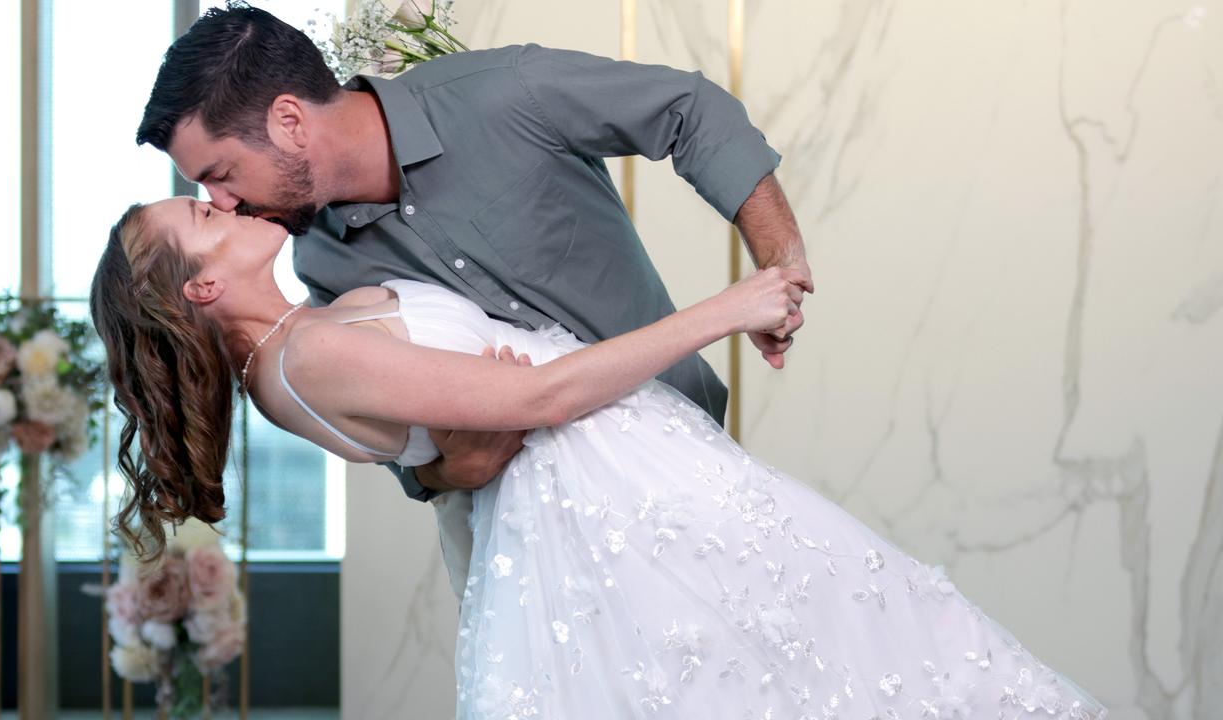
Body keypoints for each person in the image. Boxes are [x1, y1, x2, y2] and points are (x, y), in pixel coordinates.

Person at [90, 198, 1107, 719]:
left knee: (841, 659)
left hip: (613, 495)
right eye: (201, 219)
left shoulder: (297, 349)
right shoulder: (308, 354)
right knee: (858, 657)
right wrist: (729, 307)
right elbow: (539, 393)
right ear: (202, 293)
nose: (217, 202)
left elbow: (469, 434)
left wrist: (464, 448)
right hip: (615, 506)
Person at [135, 3, 812, 593]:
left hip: (691, 458)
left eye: (221, 175)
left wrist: (778, 261)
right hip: (558, 549)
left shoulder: (502, 93)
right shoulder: (321, 261)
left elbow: (689, 109)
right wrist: (444, 470)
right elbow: (399, 426)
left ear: (288, 121)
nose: (222, 201)